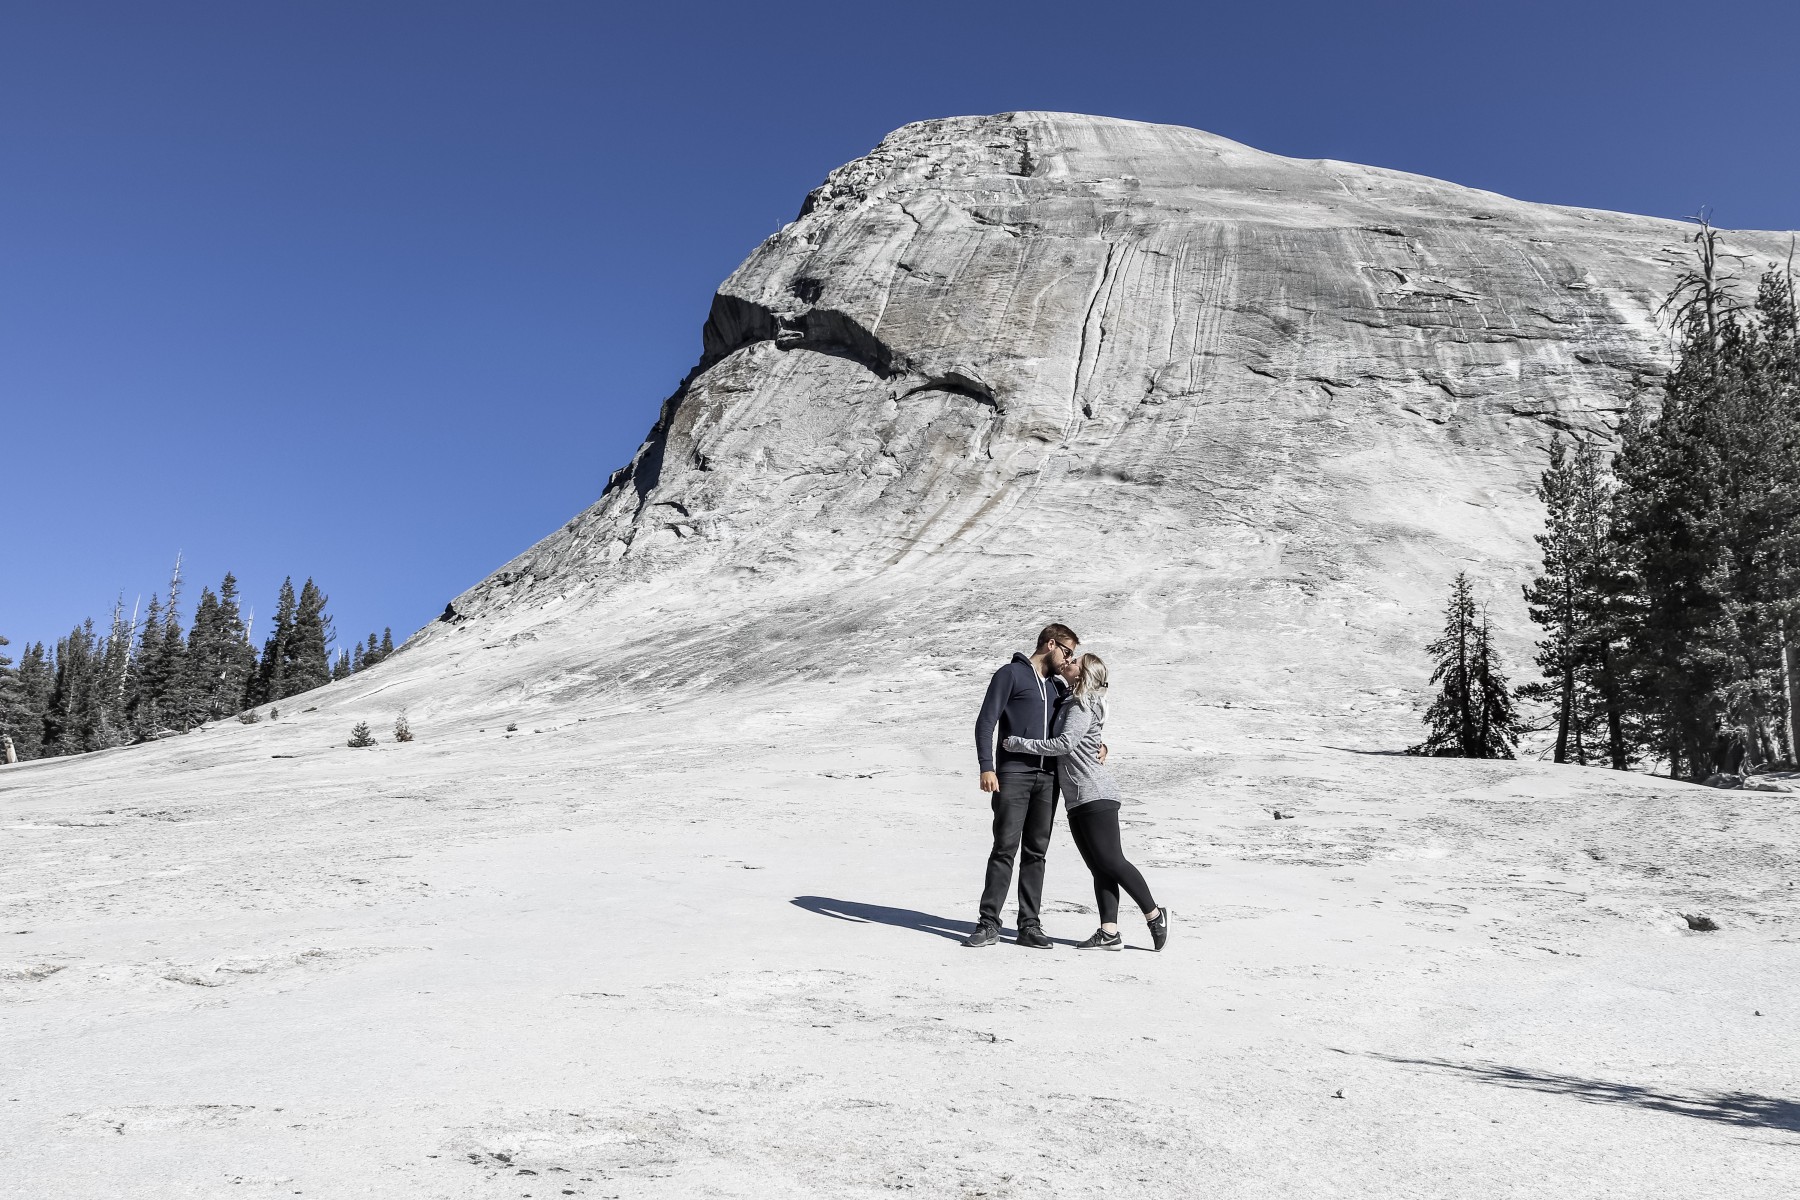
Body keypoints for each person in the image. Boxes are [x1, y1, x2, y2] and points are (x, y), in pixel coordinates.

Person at [1004, 653, 1168, 952]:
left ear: (1083, 674)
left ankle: (1154, 914)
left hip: (1095, 792)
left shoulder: (1081, 703)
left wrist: (1019, 743)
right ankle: (1109, 933)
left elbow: (1064, 744)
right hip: (1078, 797)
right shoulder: (1070, 699)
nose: (1069, 661)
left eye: (1076, 660)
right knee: (1099, 867)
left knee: (1111, 861)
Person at [966, 624, 1081, 948]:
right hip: (1013, 775)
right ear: (1050, 644)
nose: (1068, 659)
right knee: (1004, 849)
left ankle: (1029, 926)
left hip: (1048, 780)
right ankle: (988, 924)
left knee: (1036, 853)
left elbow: (1075, 725)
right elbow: (986, 721)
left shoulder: (1058, 687)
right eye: (1067, 652)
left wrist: (1100, 745)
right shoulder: (1010, 674)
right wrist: (987, 767)